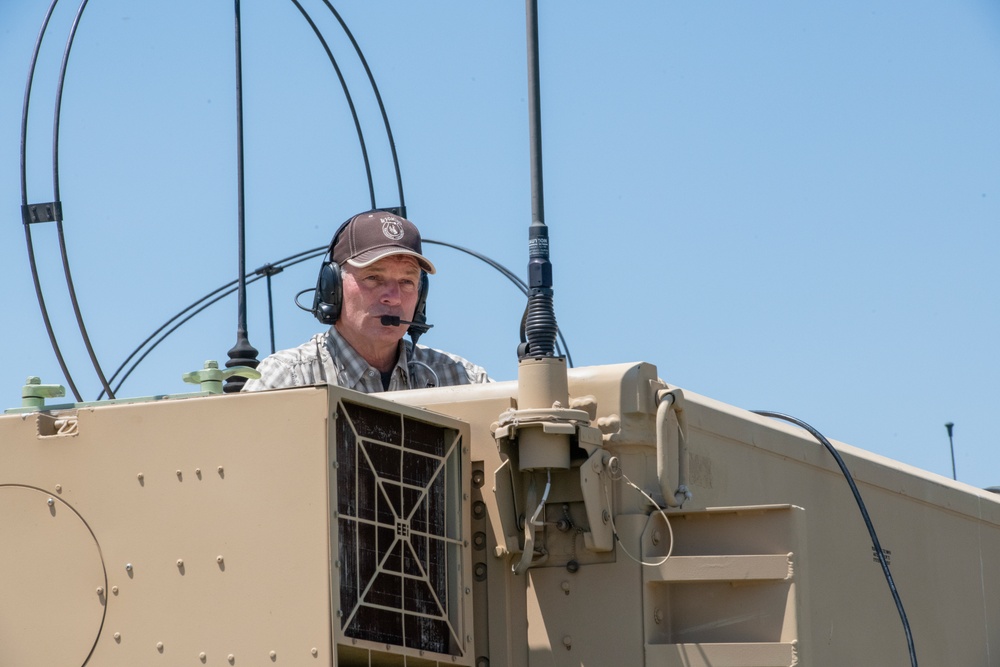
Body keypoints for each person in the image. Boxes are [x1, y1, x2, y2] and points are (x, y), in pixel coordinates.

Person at [242, 210, 490, 393]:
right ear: (333, 288)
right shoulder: (284, 380)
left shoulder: (463, 379)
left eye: (406, 282)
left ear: (421, 296)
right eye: (373, 277)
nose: (392, 297)